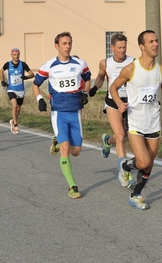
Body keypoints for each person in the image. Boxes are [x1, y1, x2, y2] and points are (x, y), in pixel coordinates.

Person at [110, 30, 162, 210]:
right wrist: (119, 103)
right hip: (135, 122)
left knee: (149, 164)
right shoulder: (131, 69)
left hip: (153, 122)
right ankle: (126, 166)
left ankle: (136, 195)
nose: (155, 44)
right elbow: (113, 88)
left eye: (156, 41)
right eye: (151, 42)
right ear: (142, 46)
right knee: (144, 161)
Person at [32, 31, 91, 199]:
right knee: (66, 148)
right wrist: (39, 99)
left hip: (75, 112)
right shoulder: (48, 66)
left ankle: (57, 142)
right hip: (58, 112)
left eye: (69, 43)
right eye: (64, 44)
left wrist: (85, 93)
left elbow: (87, 78)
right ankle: (72, 186)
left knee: (76, 151)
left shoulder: (80, 64)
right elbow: (35, 84)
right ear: (56, 46)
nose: (68, 46)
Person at [89, 33, 136, 188]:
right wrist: (95, 87)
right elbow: (101, 77)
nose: (122, 50)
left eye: (125, 47)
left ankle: (107, 141)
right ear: (112, 48)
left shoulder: (133, 62)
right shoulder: (105, 63)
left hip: (128, 103)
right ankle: (125, 172)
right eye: (120, 47)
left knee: (125, 136)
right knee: (121, 136)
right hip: (112, 103)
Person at [0, 48, 34, 134]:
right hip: (11, 89)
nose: (16, 56)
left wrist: (26, 77)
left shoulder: (23, 64)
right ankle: (15, 124)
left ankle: (13, 120)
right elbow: (1, 71)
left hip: (21, 90)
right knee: (14, 105)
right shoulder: (8, 64)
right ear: (11, 55)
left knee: (18, 109)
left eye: (18, 54)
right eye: (14, 55)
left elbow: (32, 74)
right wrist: (2, 80)